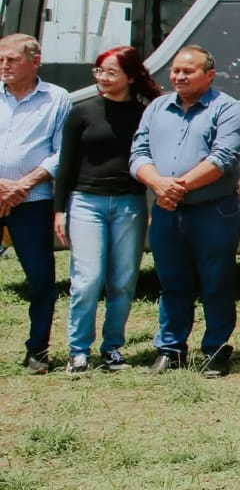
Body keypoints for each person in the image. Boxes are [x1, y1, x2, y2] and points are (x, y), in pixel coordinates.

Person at [131, 45, 240, 377]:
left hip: (214, 212)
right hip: (167, 211)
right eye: (175, 70)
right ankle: (171, 349)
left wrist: (175, 188)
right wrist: (158, 184)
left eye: (188, 71)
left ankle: (216, 350)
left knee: (216, 281)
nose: (179, 76)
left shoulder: (226, 108)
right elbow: (138, 153)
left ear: (209, 75)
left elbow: (223, 158)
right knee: (171, 281)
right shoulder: (157, 108)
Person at [53, 46, 162, 375]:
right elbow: (66, 164)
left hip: (130, 203)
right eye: (99, 71)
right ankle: (78, 351)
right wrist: (60, 210)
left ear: (130, 76)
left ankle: (112, 348)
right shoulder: (82, 112)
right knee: (87, 279)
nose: (102, 77)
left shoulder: (145, 114)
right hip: (86, 201)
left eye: (111, 72)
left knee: (123, 281)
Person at [0, 34, 71, 373]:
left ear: (35, 61)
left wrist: (22, 185)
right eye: (0, 59)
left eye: (12, 59)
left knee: (41, 280)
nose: (4, 65)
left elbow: (62, 151)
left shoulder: (57, 98)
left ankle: (37, 350)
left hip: (33, 201)